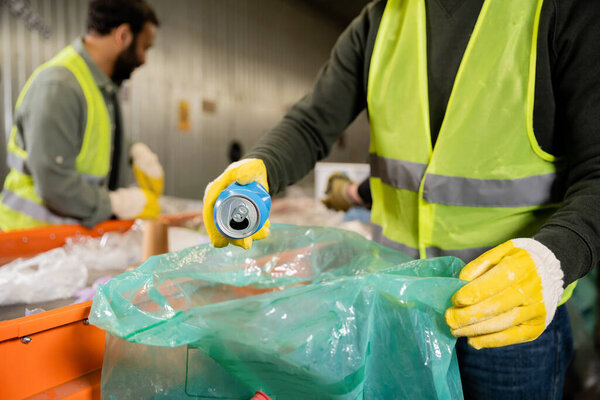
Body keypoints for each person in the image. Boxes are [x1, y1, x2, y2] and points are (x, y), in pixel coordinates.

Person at [203, 0, 600, 398]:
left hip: (507, 319)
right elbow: (311, 123)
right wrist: (262, 165)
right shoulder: (380, 21)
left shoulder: (560, 12)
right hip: (400, 308)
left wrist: (555, 259)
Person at [0, 0, 164, 231]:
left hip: (68, 245)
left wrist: (133, 150)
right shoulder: (60, 85)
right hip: (30, 244)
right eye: (144, 48)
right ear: (123, 35)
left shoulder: (101, 85)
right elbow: (54, 183)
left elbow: (87, 138)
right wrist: (116, 203)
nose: (144, 59)